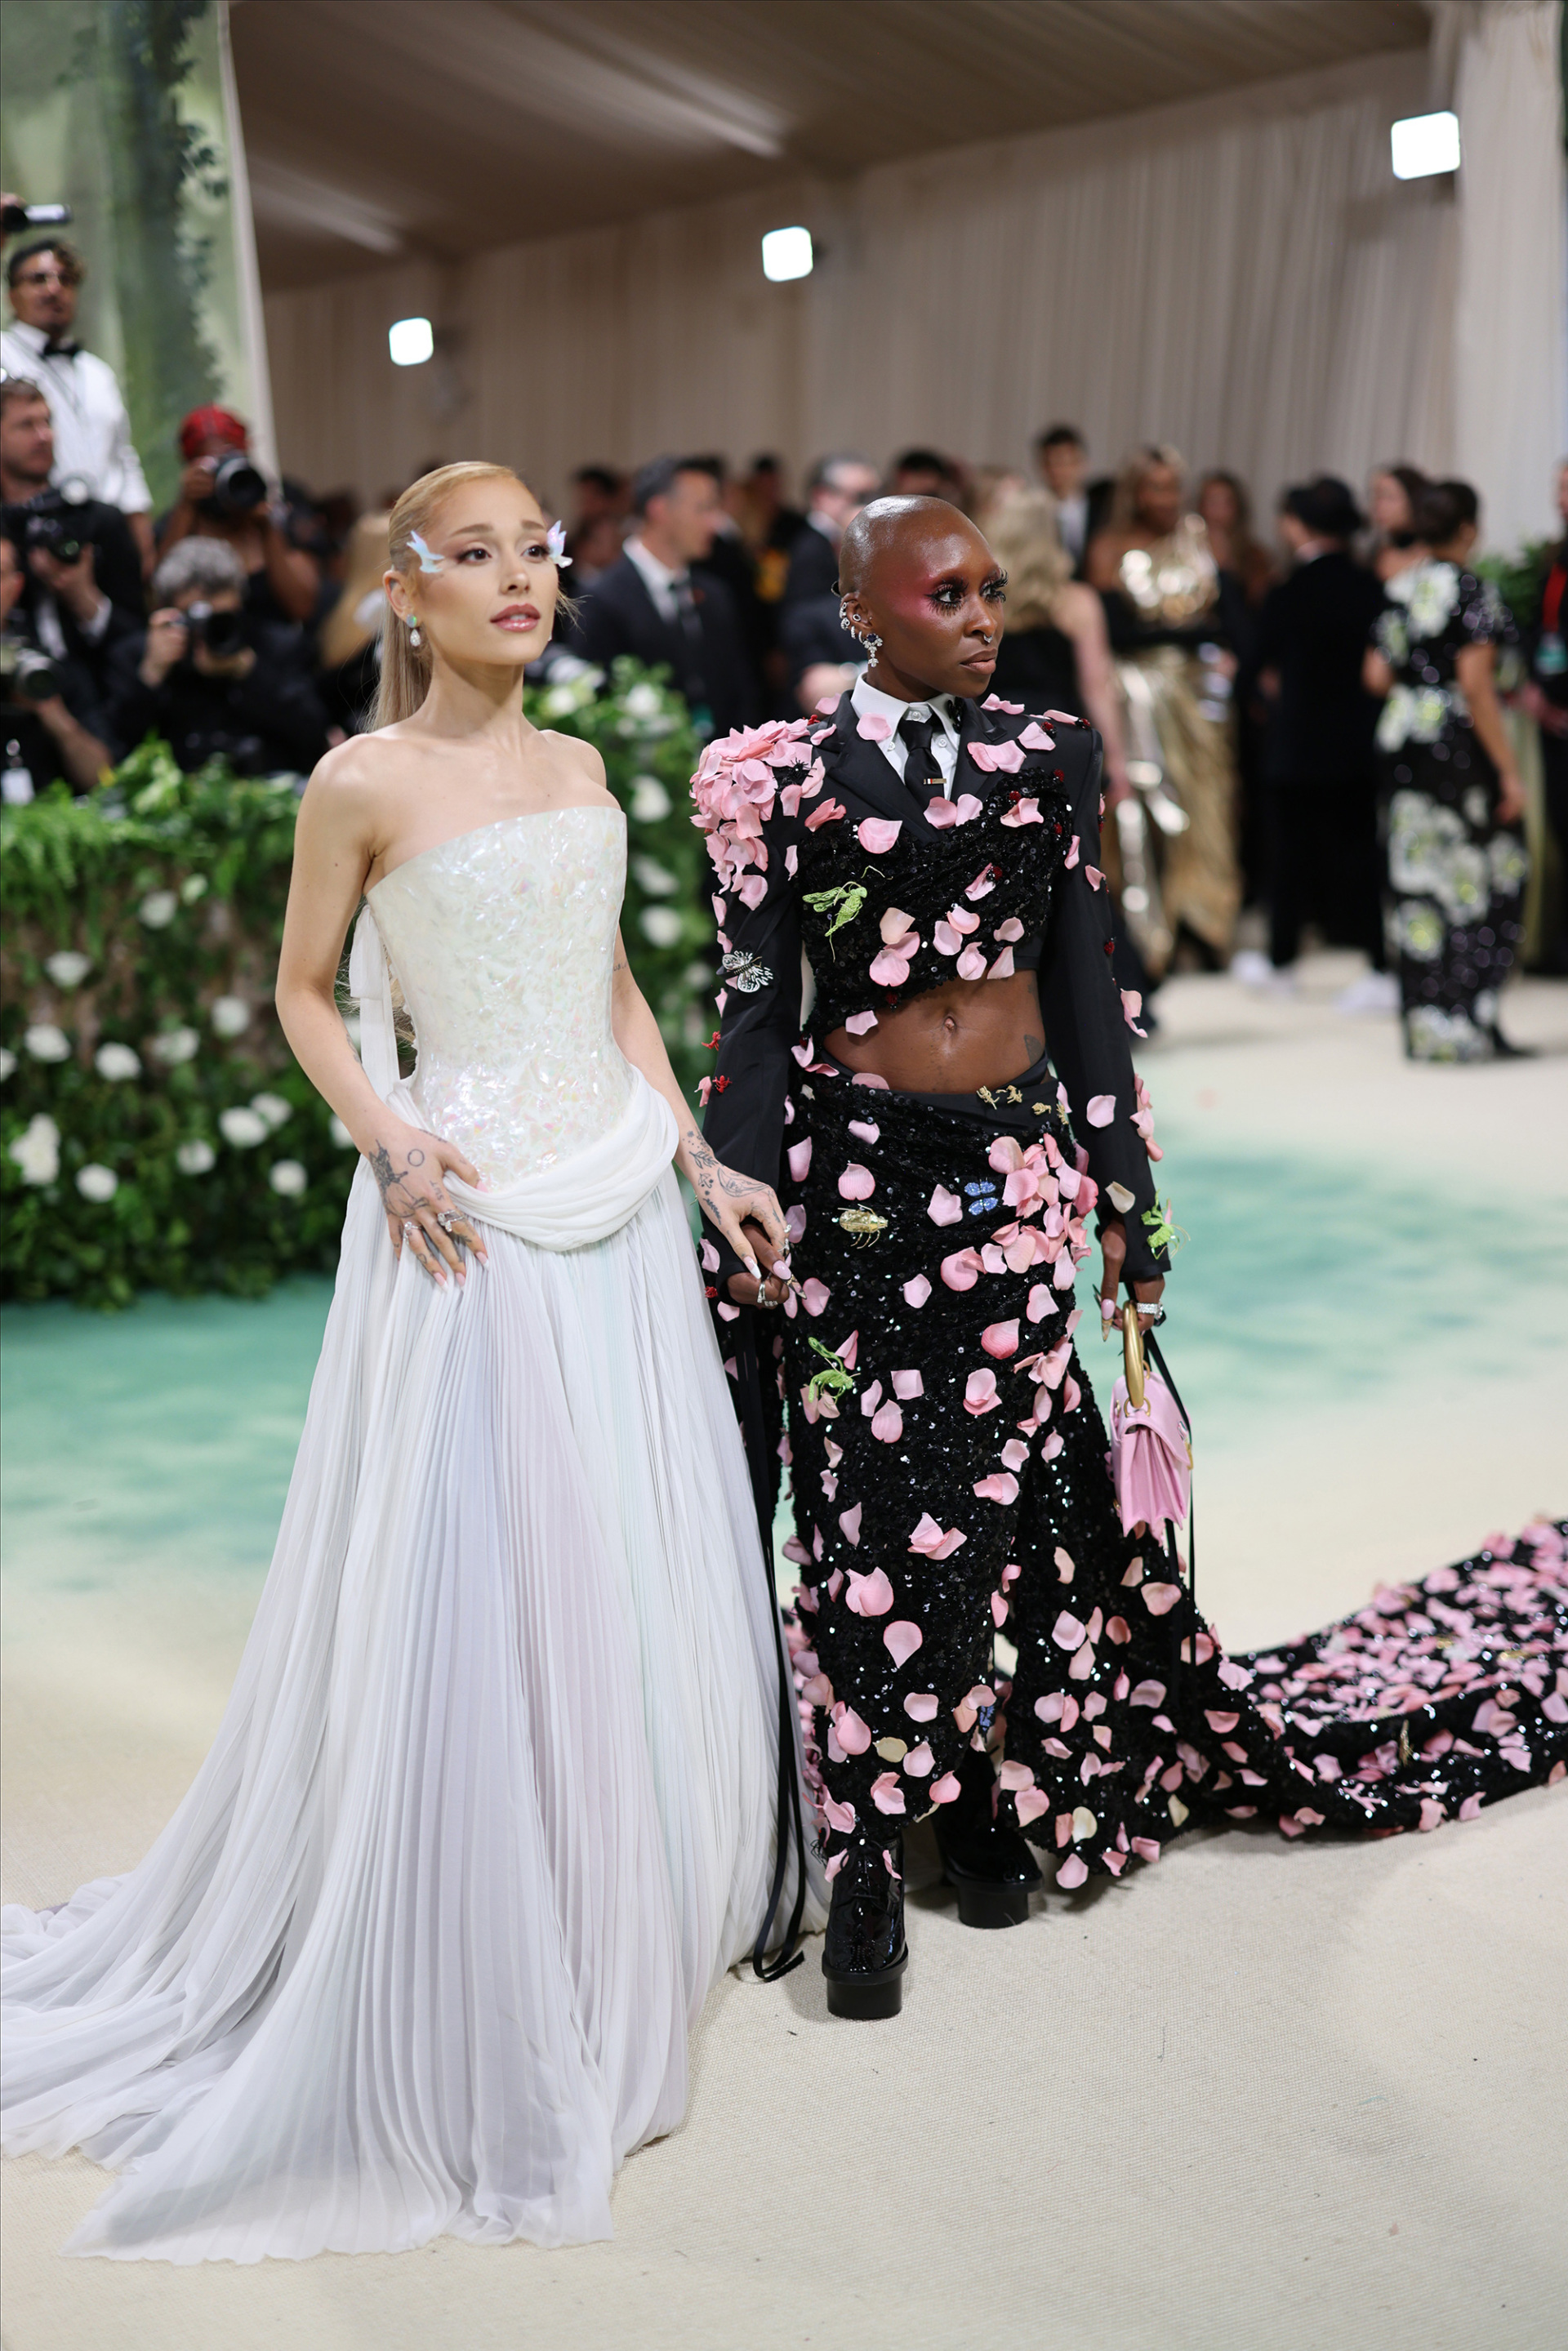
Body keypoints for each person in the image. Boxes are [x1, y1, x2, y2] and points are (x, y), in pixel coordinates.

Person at [1, 460, 818, 2260]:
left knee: (621, 1542)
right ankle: (478, 1911)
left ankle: (626, 1882)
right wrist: (387, 1131)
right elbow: (306, 990)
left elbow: (608, 981)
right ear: (405, 588)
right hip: (466, 1200)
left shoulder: (589, 765)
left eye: (542, 547)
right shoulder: (358, 780)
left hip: (612, 1193)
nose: (523, 575)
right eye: (480, 551)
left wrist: (697, 1149)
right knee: (487, 1562)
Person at [694, 495, 1568, 2020]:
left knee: (1019, 1493)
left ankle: (975, 1786)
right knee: (870, 1505)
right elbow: (758, 1013)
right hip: (854, 1185)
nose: (984, 614)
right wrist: (746, 1198)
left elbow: (1086, 994)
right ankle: (872, 1857)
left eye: (994, 590)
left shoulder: (1051, 759)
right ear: (860, 611)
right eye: (946, 591)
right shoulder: (773, 783)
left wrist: (1128, 1203)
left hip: (1015, 1171)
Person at [1364, 479, 1528, 1061]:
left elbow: (1375, 677)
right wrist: (1509, 771)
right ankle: (1472, 1019)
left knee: (1415, 878)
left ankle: (1429, 1026)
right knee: (1487, 874)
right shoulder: (1473, 592)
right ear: (1468, 529)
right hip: (1457, 745)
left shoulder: (1400, 586)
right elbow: (1478, 686)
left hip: (1404, 737)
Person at [1088, 445, 1241, 974]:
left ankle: (1208, 923)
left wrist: (1225, 653)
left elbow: (1230, 615)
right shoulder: (1109, 547)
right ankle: (1154, 935)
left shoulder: (1200, 537)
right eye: (1154, 487)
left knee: (1209, 803)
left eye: (1173, 487)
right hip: (1141, 692)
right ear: (1135, 492)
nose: (1166, 499)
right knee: (1150, 805)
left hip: (1200, 695)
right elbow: (1112, 630)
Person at [1237, 477, 1388, 1003]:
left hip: (1296, 746)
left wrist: (1261, 698)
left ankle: (1282, 961)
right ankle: (1379, 966)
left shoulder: (1288, 591)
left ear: (1296, 525)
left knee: (1289, 858)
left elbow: (1253, 666)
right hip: (1357, 744)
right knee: (1362, 855)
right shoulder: (1371, 586)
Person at [104, 537, 329, 777]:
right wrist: (150, 675)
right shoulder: (137, 655)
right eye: (197, 620)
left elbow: (314, 733)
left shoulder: (275, 646)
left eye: (223, 618)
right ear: (169, 612)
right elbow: (118, 751)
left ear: (241, 604)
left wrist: (249, 672)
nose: (208, 631)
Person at [569, 453, 759, 738]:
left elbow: (739, 689)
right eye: (703, 508)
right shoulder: (600, 599)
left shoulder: (715, 594)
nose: (715, 522)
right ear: (660, 509)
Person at [0, 232, 154, 573]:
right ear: (12, 295)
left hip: (110, 535)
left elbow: (123, 457)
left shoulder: (97, 371)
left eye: (66, 280)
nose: (54, 289)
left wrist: (141, 535)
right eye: (38, 279)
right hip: (38, 538)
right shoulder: (2, 353)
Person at [0, 376, 145, 681]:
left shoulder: (100, 521)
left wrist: (85, 600)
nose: (44, 436)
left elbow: (139, 639)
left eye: (48, 422)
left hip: (99, 696)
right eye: (26, 425)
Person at [155, 405, 320, 629]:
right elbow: (161, 599)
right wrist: (186, 505)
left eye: (231, 458)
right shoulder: (179, 524)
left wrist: (266, 528)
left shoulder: (279, 517)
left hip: (278, 657)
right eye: (211, 465)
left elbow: (302, 608)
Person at [0, 530, 114, 797]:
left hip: (44, 817)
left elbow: (103, 780)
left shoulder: (47, 669)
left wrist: (56, 719)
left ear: (16, 586)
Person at [1518, 458, 1568, 973]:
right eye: (1558, 488)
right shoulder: (1557, 557)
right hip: (1552, 713)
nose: (1561, 499)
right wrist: (1536, 687)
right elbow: (1544, 629)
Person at [1033, 425, 1095, 572]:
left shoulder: (1102, 509)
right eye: (1050, 464)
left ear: (1082, 464)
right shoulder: (1033, 511)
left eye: (1064, 463)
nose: (1057, 472)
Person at [1365, 462, 1429, 585]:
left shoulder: (1429, 556)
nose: (1379, 506)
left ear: (1415, 500)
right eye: (1376, 496)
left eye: (1389, 497)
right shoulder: (1374, 551)